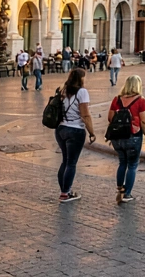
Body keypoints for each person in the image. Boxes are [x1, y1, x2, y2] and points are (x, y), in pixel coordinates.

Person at [108, 74, 145, 204]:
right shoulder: (140, 100)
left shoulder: (116, 99)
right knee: (132, 165)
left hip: (117, 137)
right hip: (132, 137)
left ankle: (119, 189)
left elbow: (110, 118)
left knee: (122, 163)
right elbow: (144, 122)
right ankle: (127, 194)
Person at [55, 68, 96, 202]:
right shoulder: (82, 92)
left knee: (65, 161)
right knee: (71, 163)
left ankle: (64, 190)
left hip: (61, 128)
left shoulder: (63, 89)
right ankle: (65, 194)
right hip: (75, 129)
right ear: (81, 78)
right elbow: (85, 114)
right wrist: (91, 132)